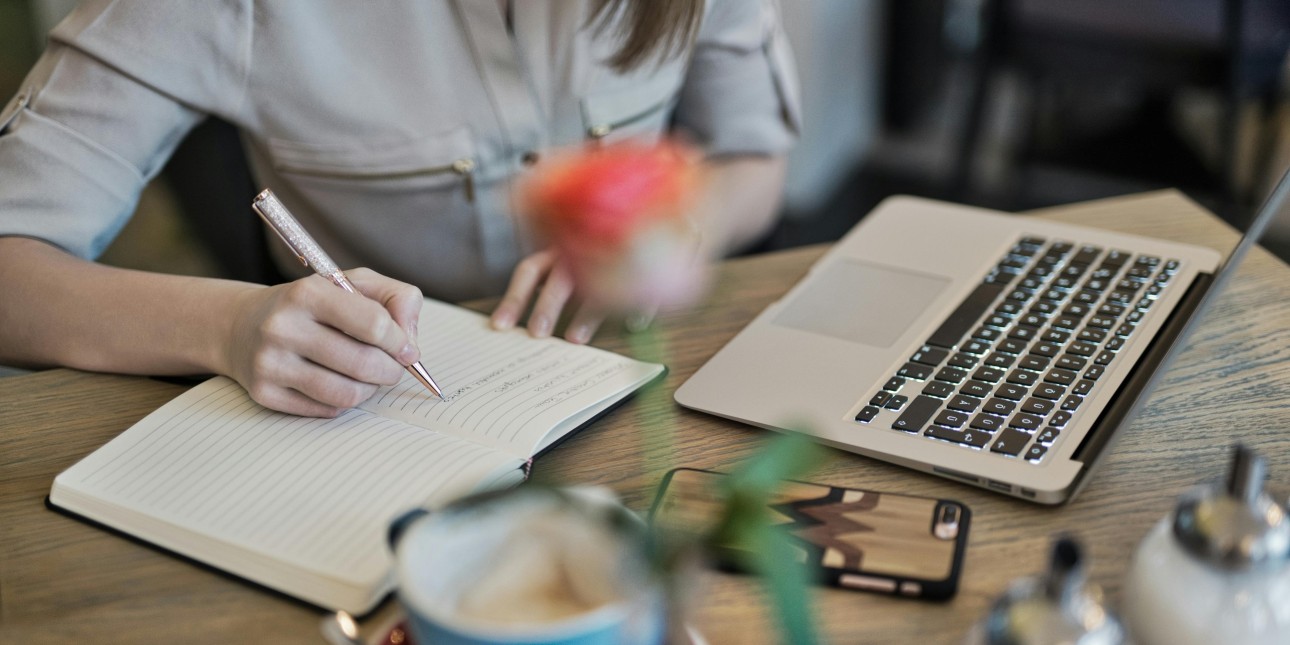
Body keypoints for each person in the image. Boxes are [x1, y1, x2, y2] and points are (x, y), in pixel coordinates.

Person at [0, 0, 801, 417]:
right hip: (369, 412)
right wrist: (228, 326)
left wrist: (677, 233)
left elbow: (755, 159)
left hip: (638, 381)